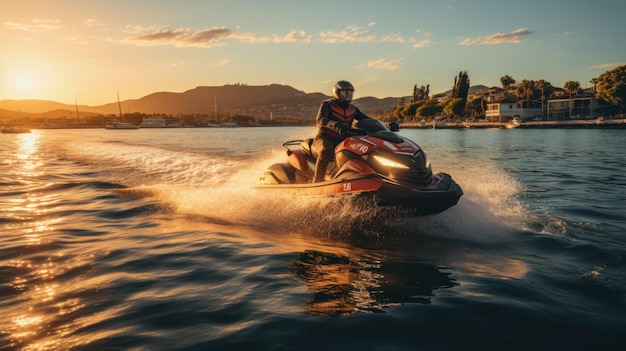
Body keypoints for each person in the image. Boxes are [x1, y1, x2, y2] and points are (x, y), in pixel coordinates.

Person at [311, 80, 371, 182]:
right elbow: (320, 119)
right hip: (325, 138)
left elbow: (367, 120)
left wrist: (386, 126)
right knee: (326, 150)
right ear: (337, 93)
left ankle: (361, 175)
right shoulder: (327, 104)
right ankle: (317, 180)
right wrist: (334, 124)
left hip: (344, 139)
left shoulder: (353, 108)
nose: (348, 96)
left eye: (350, 93)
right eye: (344, 93)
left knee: (362, 149)